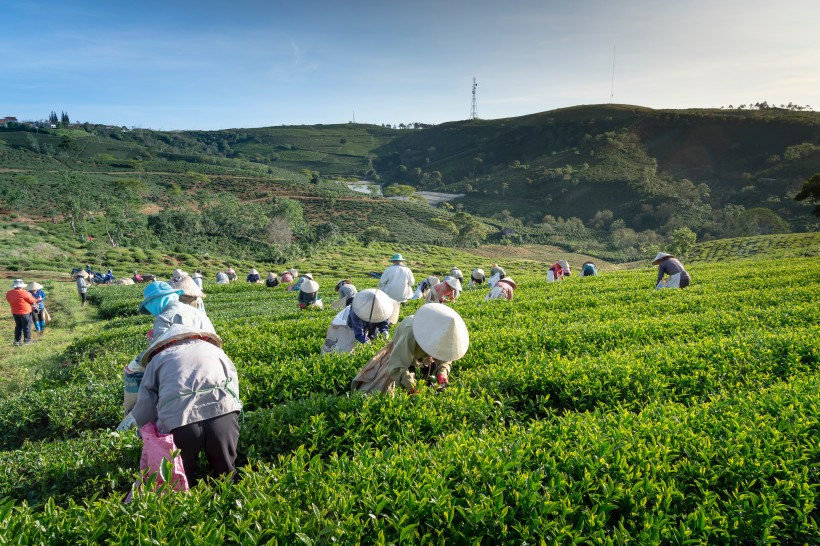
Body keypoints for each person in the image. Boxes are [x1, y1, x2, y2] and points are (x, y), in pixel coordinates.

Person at [131, 299, 240, 487]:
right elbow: (233, 385)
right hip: (222, 415)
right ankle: (234, 509)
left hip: (179, 423)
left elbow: (146, 404)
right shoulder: (215, 351)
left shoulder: (159, 359)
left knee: (181, 479)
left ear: (166, 341)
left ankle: (190, 511)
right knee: (226, 473)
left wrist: (145, 431)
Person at [351, 303, 469, 395]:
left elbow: (445, 356)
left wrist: (442, 373)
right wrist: (412, 387)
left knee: (431, 384)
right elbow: (399, 365)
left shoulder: (445, 334)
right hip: (403, 354)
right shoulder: (410, 331)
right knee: (380, 391)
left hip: (424, 357)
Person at [322, 289, 397, 354]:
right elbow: (359, 332)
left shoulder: (382, 309)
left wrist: (384, 330)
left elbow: (383, 321)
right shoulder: (356, 312)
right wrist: (367, 342)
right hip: (347, 325)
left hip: (367, 324)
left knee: (372, 336)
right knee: (346, 345)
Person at [6, 279, 37, 346]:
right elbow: (32, 300)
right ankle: (27, 341)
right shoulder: (24, 293)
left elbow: (9, 300)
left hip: (15, 312)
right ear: (21, 286)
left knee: (18, 326)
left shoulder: (9, 293)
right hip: (25, 312)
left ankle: (17, 341)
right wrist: (37, 299)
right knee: (27, 326)